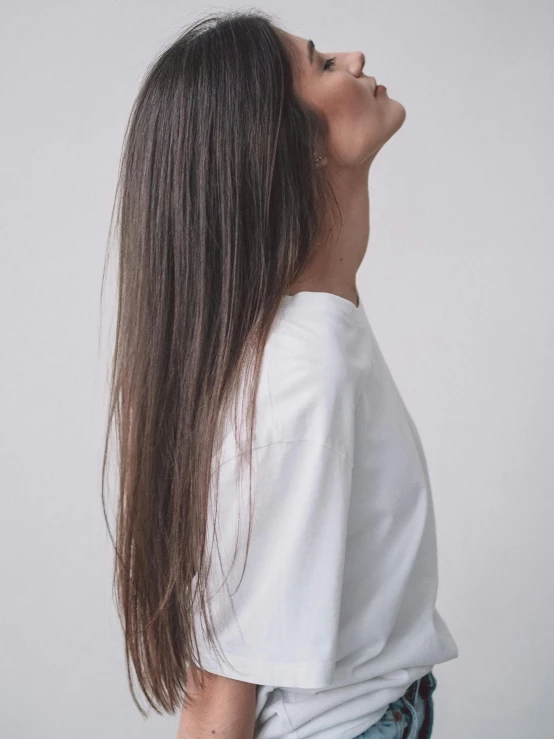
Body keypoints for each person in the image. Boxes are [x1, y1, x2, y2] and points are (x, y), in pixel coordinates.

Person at [102, 9, 458, 739]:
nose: (356, 58)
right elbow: (216, 691)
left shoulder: (318, 330)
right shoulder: (303, 373)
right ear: (292, 150)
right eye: (324, 65)